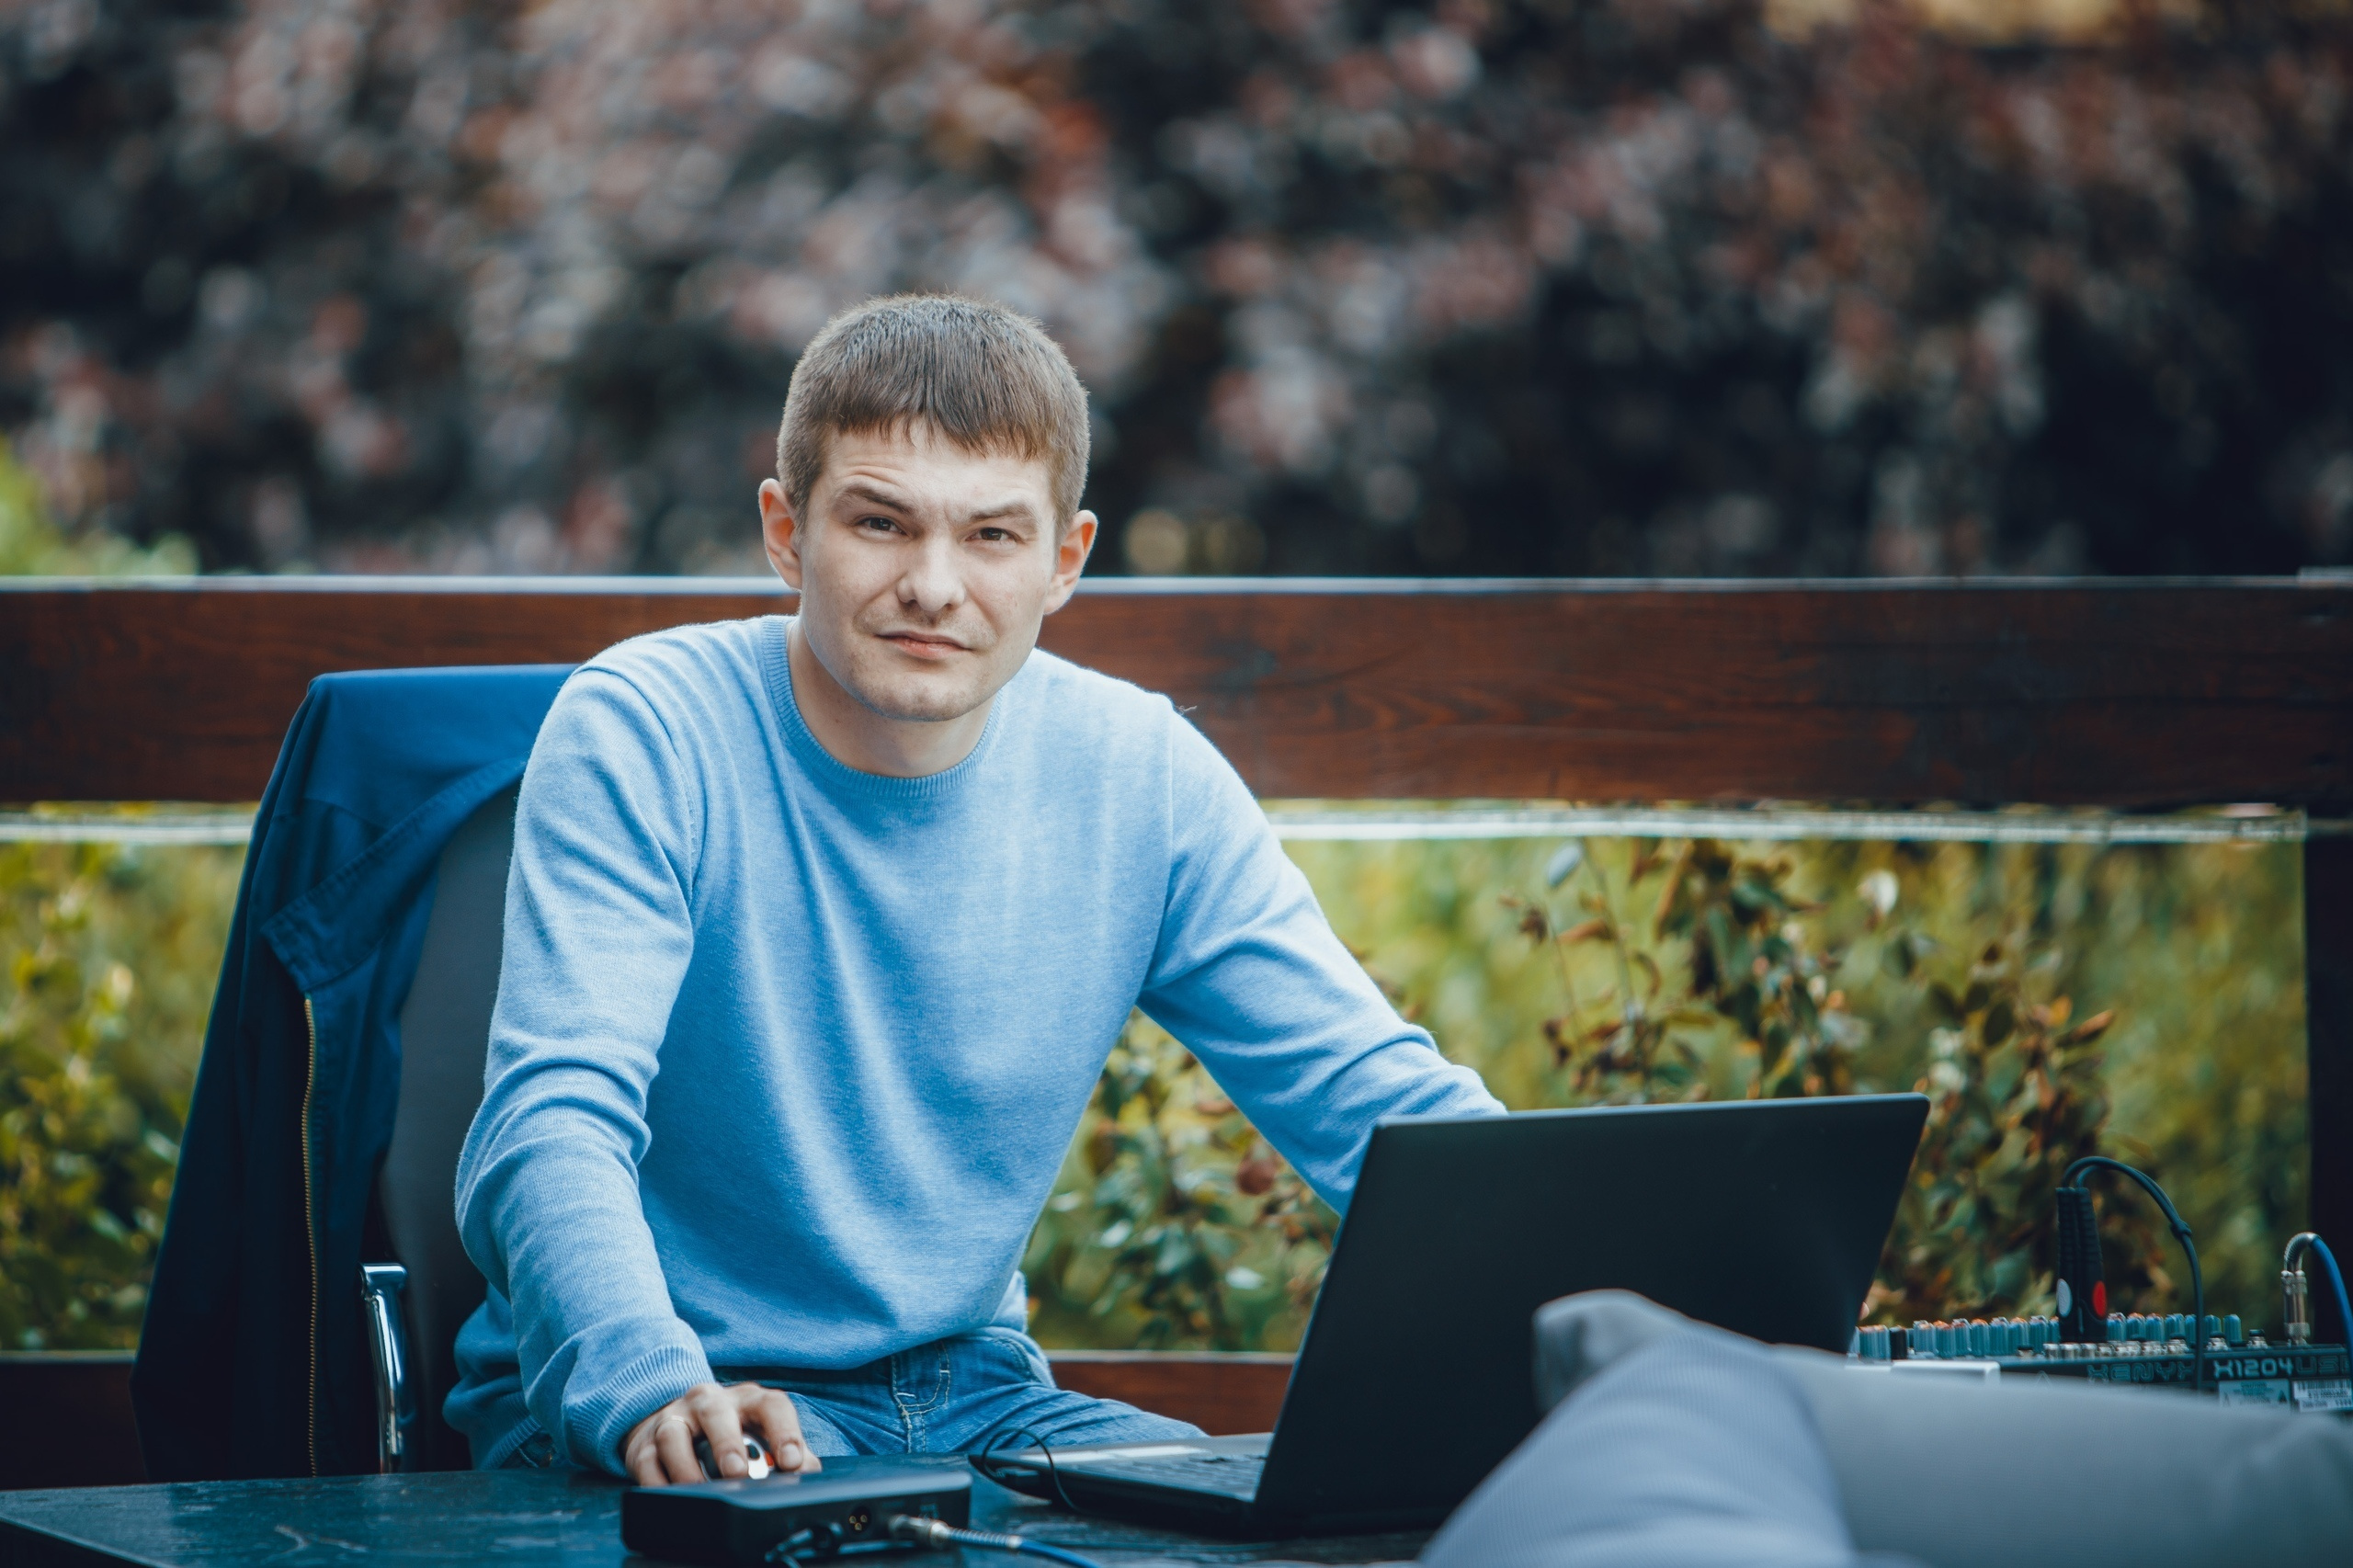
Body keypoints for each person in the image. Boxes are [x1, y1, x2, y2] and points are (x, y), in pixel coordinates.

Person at [446, 294, 1505, 1484]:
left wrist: (1636, 1297)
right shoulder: (646, 726)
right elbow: (550, 1118)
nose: (934, 585)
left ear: (1064, 559)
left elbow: (1377, 1107)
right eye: (882, 522)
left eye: (992, 535)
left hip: (982, 1394)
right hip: (685, 1395)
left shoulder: (1139, 773)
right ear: (787, 533)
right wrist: (646, 1378)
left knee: (1270, 1519)